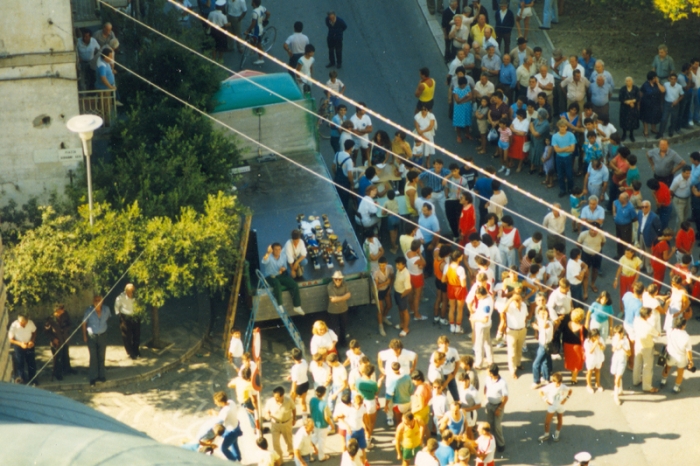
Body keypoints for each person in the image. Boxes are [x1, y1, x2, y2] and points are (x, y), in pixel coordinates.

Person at [262, 242, 304, 315]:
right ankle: (279, 305)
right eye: (276, 250)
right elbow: (264, 260)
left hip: (280, 275)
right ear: (272, 250)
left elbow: (285, 267)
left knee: (294, 284)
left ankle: (297, 306)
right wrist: (268, 253)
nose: (278, 251)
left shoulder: (283, 256)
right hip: (270, 277)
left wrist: (283, 269)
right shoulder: (269, 256)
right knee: (277, 284)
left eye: (279, 249)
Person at [82, 295, 111, 386]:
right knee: (93, 357)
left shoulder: (106, 309)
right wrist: (84, 336)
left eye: (99, 300)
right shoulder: (89, 310)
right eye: (96, 300)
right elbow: (84, 323)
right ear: (93, 301)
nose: (97, 301)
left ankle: (101, 376)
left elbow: (107, 318)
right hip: (92, 336)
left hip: (103, 335)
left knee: (101, 356)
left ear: (102, 301)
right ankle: (93, 378)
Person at [499, 289, 528, 379]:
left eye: (519, 299)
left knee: (519, 349)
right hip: (512, 331)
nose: (517, 301)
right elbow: (503, 310)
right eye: (516, 299)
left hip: (522, 330)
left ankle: (518, 363)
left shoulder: (524, 305)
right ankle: (512, 370)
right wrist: (511, 300)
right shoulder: (510, 306)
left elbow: (525, 316)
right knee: (512, 352)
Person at [662, 316, 693, 393]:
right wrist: (690, 361)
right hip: (681, 357)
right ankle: (676, 387)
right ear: (683, 325)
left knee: (667, 367)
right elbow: (688, 351)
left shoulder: (670, 331)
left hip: (670, 355)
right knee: (680, 372)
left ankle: (663, 380)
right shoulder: (686, 336)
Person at [537, 372, 571, 442]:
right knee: (547, 422)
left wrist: (566, 399)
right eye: (557, 383)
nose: (558, 384)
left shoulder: (563, 386)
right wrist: (545, 399)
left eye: (560, 383)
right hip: (552, 406)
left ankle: (557, 434)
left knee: (560, 420)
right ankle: (546, 435)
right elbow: (540, 391)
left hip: (560, 405)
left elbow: (570, 390)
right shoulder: (550, 386)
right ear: (553, 381)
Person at [633, 307, 660, 393]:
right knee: (647, 367)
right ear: (647, 315)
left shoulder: (636, 320)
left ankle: (636, 380)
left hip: (638, 345)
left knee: (637, 363)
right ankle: (647, 386)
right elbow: (658, 334)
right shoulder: (649, 327)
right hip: (647, 347)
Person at [211, 390, 243, 461]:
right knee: (234, 444)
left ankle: (234, 461)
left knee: (223, 448)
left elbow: (219, 420)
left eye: (216, 402)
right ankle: (238, 458)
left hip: (231, 431)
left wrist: (213, 413)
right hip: (236, 426)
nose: (215, 403)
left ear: (221, 402)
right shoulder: (231, 402)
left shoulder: (225, 410)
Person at [265, 386, 296, 459]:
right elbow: (267, 412)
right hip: (275, 424)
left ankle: (291, 451)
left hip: (286, 423)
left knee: (288, 439)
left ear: (282, 396)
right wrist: (267, 415)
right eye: (274, 396)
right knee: (275, 442)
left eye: (277, 397)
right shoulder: (270, 401)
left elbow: (293, 409)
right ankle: (279, 456)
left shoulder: (289, 401)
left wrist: (294, 418)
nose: (275, 399)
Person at [483, 364, 507, 452]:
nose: (486, 372)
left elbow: (505, 398)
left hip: (498, 405)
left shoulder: (502, 383)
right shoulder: (488, 379)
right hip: (489, 404)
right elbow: (485, 387)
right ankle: (492, 442)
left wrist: (499, 409)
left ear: (491, 373)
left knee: (497, 426)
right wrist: (485, 398)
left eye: (487, 371)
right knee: (490, 424)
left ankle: (501, 444)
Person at [114, 283, 141, 360]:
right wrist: (119, 314)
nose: (131, 294)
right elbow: (117, 305)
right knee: (127, 335)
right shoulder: (121, 297)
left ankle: (136, 350)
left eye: (132, 292)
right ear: (126, 292)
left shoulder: (136, 296)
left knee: (137, 334)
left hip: (135, 316)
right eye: (129, 292)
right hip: (125, 316)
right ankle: (130, 351)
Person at [562, 308, 588, 384]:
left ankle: (572, 372)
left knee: (570, 360)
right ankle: (574, 378)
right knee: (577, 362)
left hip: (567, 345)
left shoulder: (567, 324)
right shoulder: (581, 328)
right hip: (577, 347)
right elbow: (586, 335)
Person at [9, 314, 37, 385]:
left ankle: (33, 379)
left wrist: (32, 341)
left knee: (31, 362)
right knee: (20, 362)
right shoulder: (14, 325)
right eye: (22, 323)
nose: (23, 324)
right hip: (19, 345)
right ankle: (21, 380)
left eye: (25, 323)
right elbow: (11, 339)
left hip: (29, 344)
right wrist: (20, 344)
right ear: (19, 321)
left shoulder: (30, 323)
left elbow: (34, 332)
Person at [552, 119, 576, 198]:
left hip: (568, 157)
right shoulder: (554, 136)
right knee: (560, 175)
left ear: (566, 127)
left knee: (569, 174)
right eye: (561, 127)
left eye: (564, 127)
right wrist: (566, 148)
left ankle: (570, 189)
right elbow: (556, 150)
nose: (562, 128)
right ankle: (562, 190)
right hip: (559, 157)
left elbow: (572, 149)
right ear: (558, 127)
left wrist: (561, 149)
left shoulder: (571, 135)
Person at [327, 271, 352, 347]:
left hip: (343, 309)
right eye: (336, 279)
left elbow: (349, 295)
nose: (338, 280)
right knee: (334, 329)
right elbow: (333, 300)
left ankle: (343, 341)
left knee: (343, 327)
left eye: (339, 279)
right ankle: (335, 344)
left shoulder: (345, 284)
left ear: (342, 279)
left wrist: (338, 298)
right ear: (333, 279)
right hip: (333, 311)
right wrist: (344, 297)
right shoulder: (330, 286)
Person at [532, 305, 554, 388]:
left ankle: (536, 381)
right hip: (542, 344)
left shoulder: (548, 323)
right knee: (545, 362)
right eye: (541, 313)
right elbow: (535, 323)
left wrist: (545, 318)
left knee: (535, 364)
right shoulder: (540, 320)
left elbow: (544, 326)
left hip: (545, 345)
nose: (542, 315)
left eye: (544, 313)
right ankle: (546, 378)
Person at [657, 73, 684, 139]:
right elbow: (662, 91)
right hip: (667, 103)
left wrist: (677, 101)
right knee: (664, 119)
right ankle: (660, 133)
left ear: (676, 80)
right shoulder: (666, 84)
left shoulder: (679, 87)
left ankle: (671, 131)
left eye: (674, 79)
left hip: (675, 104)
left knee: (673, 119)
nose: (673, 80)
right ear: (669, 79)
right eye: (671, 79)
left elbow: (682, 95)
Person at [243, 0, 270, 65]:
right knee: (252, 40)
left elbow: (253, 23)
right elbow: (268, 13)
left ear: (254, 3)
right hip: (260, 27)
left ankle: (261, 58)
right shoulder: (262, 7)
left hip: (257, 31)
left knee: (258, 44)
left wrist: (247, 30)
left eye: (252, 1)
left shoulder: (254, 12)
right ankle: (254, 49)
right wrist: (265, 19)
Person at [640, 71, 665, 137]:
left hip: (656, 103)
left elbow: (663, 90)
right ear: (652, 78)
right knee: (646, 117)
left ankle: (653, 129)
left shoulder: (657, 84)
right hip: (646, 104)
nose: (656, 78)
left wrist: (658, 83)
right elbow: (641, 94)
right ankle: (645, 130)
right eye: (655, 77)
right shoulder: (645, 85)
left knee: (655, 116)